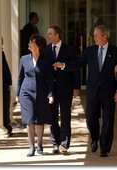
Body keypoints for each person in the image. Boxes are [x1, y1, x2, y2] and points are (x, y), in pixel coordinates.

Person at [53, 25, 117, 157]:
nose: (94, 38)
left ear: (105, 36)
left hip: (109, 91)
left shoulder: (116, 52)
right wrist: (63, 65)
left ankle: (104, 148)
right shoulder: (90, 50)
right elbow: (79, 63)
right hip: (93, 91)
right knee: (91, 118)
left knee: (108, 120)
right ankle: (95, 138)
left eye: (96, 35)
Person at [16, 34, 54, 157]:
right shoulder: (24, 59)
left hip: (42, 93)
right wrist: (17, 94)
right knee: (30, 119)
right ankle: (31, 147)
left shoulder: (46, 60)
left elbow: (50, 79)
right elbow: (20, 78)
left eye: (31, 42)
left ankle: (39, 144)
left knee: (40, 120)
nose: (29, 44)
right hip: (26, 92)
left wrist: (51, 94)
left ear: (38, 46)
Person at [45, 25, 81, 154]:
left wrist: (76, 86)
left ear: (57, 35)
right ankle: (55, 143)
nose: (48, 36)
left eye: (50, 33)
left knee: (65, 116)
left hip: (66, 88)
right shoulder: (46, 49)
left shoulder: (70, 49)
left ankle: (64, 144)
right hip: (51, 90)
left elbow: (76, 69)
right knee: (52, 117)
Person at [2, 37, 13, 136]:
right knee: (5, 106)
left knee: (5, 106)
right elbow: (5, 70)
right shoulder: (0, 54)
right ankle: (6, 125)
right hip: (3, 86)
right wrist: (9, 82)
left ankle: (7, 125)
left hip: (3, 85)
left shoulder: (1, 53)